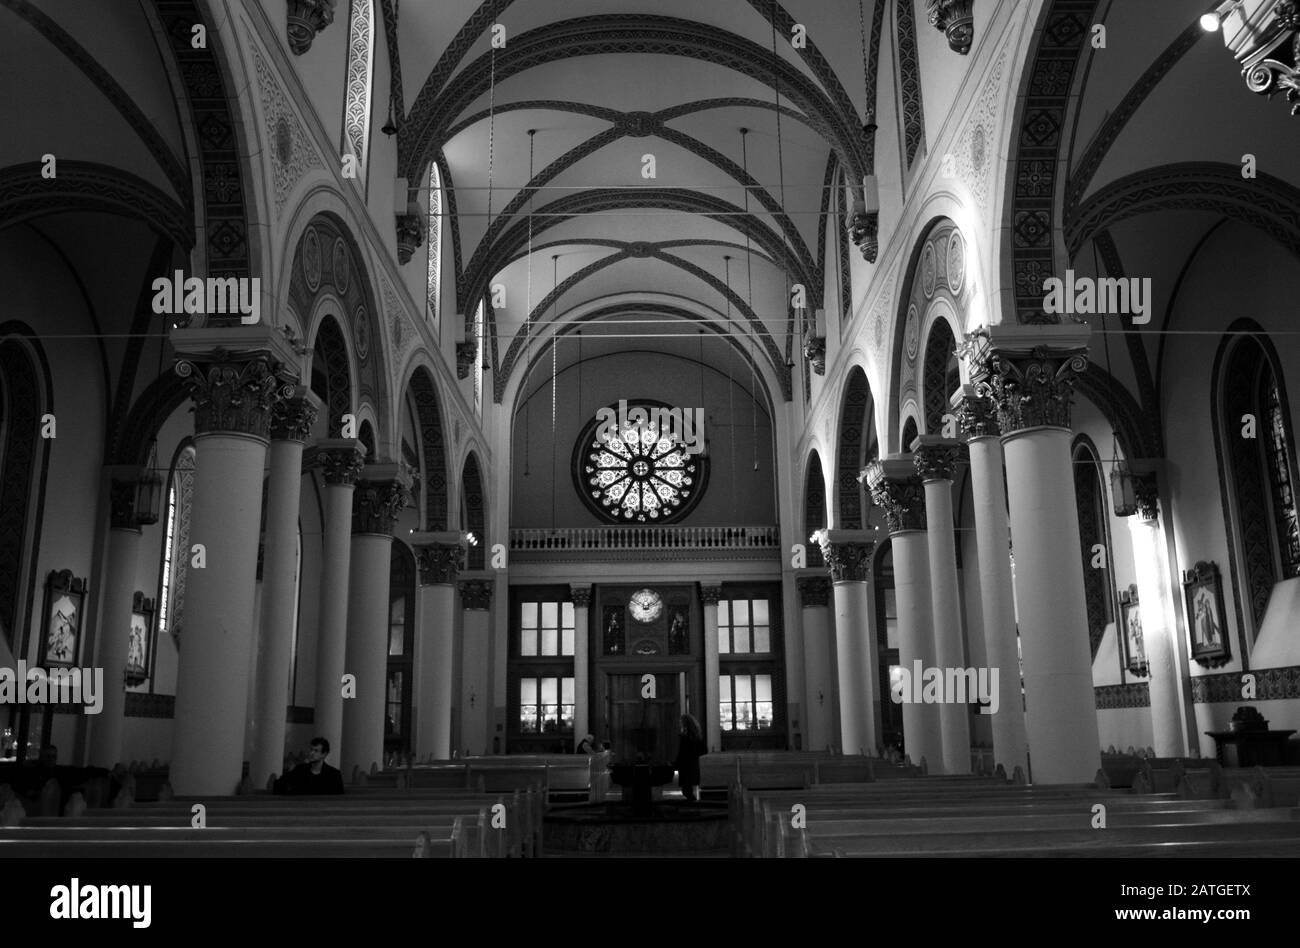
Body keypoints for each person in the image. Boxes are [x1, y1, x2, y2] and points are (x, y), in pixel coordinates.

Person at [273, 737, 344, 795]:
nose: (311, 753)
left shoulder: (334, 775)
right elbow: (279, 786)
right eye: (311, 749)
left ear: (324, 754)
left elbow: (339, 798)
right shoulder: (300, 770)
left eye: (316, 751)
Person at [673, 714, 706, 802]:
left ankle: (692, 804)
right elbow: (703, 750)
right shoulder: (696, 736)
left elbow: (682, 752)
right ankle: (693, 803)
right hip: (693, 763)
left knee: (686, 789)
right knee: (688, 788)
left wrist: (677, 763)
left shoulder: (685, 736)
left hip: (686, 764)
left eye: (681, 722)